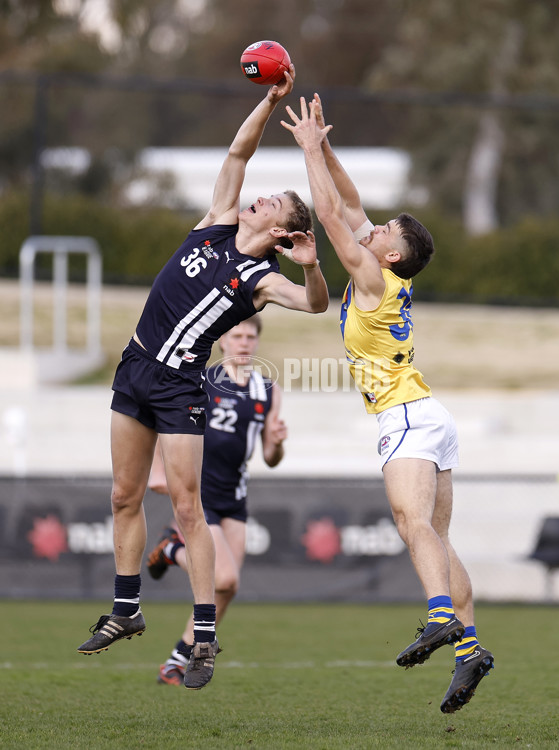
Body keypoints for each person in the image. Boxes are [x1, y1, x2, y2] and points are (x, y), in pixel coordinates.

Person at [76, 69, 328, 692]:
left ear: (280, 231)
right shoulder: (216, 220)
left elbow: (318, 306)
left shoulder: (263, 278)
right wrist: (268, 102)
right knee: (122, 496)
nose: (260, 196)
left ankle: (204, 639)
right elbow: (238, 152)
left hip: (181, 387)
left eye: (272, 202)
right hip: (134, 367)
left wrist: (313, 264)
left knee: (189, 509)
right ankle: (127, 610)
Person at [281, 94, 493, 713]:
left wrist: (305, 156)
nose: (368, 229)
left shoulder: (372, 276)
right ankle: (469, 651)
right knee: (439, 537)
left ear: (391, 254)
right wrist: (323, 145)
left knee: (413, 525)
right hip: (429, 412)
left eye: (381, 233)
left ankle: (438, 618)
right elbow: (347, 203)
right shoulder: (384, 270)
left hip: (404, 416)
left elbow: (326, 212)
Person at [145, 315, 286, 685]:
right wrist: (160, 471)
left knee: (227, 586)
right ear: (222, 341)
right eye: (236, 336)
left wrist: (278, 441)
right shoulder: (202, 380)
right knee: (220, 574)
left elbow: (270, 458)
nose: (243, 343)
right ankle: (172, 547)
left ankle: (176, 660)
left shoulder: (267, 390)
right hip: (200, 492)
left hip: (235, 497)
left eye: (250, 337)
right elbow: (168, 425)